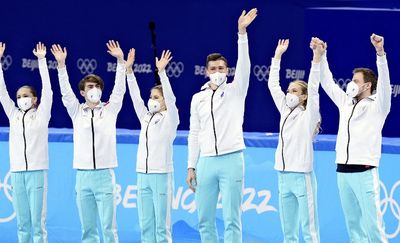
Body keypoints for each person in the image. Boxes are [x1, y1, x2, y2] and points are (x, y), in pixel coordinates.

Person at [185, 8, 257, 243]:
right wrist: (191, 166)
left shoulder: (236, 90)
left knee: (231, 218)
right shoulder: (198, 98)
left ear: (227, 71)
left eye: (221, 69)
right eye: (213, 69)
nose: (217, 72)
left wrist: (242, 33)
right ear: (206, 72)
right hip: (205, 162)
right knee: (204, 219)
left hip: (232, 159)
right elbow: (194, 133)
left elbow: (245, 65)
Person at [50, 40, 126, 243]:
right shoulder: (76, 112)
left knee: (109, 229)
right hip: (83, 176)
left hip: (104, 175)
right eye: (90, 87)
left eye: (97, 87)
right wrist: (61, 66)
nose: (94, 89)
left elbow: (119, 90)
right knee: (88, 229)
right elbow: (65, 92)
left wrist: (120, 61)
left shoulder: (110, 110)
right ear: (83, 92)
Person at [318, 34, 390, 243]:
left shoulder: (379, 105)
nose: (351, 84)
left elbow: (384, 85)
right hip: (343, 171)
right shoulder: (345, 102)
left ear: (367, 85)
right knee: (354, 227)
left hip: (364, 172)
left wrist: (380, 54)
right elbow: (327, 82)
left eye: (356, 81)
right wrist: (322, 56)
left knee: (373, 227)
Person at [0, 42, 52, 243]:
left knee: (38, 224)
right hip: (17, 173)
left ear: (34, 99)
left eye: (25, 96)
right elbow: (1, 92)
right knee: (22, 224)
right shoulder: (13, 115)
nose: (21, 99)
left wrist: (42, 61)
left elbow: (48, 89)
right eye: (18, 96)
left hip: (37, 172)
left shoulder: (42, 115)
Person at [267, 38, 322, 243]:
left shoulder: (308, 116)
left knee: (309, 231)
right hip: (283, 175)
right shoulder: (284, 110)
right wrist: (277, 57)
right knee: (288, 233)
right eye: (289, 91)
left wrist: (316, 61)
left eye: (295, 91)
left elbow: (315, 89)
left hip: (302, 176)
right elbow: (273, 85)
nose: (289, 94)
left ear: (304, 97)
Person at [125, 49, 179, 243]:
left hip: (161, 175)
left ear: (164, 100)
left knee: (161, 227)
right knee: (146, 223)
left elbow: (172, 100)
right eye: (152, 97)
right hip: (142, 175)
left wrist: (162, 73)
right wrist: (129, 71)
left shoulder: (170, 119)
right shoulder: (146, 117)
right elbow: (135, 98)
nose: (152, 100)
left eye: (156, 97)